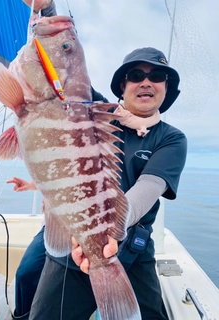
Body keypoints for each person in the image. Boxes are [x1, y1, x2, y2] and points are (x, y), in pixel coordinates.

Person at [10, 1, 187, 319]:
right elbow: (61, 74)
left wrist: (108, 228)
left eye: (156, 75)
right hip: (73, 241)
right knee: (35, 297)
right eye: (136, 75)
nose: (145, 82)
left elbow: (148, 187)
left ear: (166, 87)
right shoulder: (95, 114)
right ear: (123, 86)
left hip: (131, 249)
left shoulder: (172, 138)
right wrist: (46, 8)